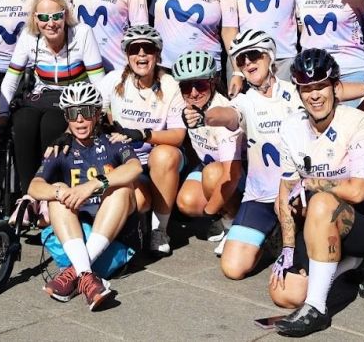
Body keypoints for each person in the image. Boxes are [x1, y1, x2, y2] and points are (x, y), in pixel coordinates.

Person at [269, 49, 364, 337]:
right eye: (307, 89)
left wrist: (312, 183)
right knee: (286, 294)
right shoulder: (290, 128)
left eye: (321, 86)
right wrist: (287, 248)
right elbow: (285, 190)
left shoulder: (358, 122)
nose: (314, 95)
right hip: (325, 216)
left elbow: (359, 191)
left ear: (336, 87)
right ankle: (350, 264)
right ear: (299, 93)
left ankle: (317, 309)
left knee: (321, 201)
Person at [28, 82, 143, 311]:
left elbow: (135, 168)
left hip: (114, 241)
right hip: (77, 239)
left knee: (122, 189)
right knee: (57, 191)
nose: (80, 120)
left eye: (87, 111)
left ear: (98, 114)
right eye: (73, 113)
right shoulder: (61, 148)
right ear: (66, 118)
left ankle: (75, 273)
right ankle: (87, 278)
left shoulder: (111, 141)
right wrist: (59, 192)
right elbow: (34, 186)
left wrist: (93, 185)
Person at [202, 30, 299, 278]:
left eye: (253, 55)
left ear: (269, 57)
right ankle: (270, 236)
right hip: (259, 196)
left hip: (297, 194)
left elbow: (335, 93)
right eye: (241, 59)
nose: (247, 63)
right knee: (232, 269)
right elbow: (226, 115)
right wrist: (205, 116)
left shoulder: (296, 92)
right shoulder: (245, 101)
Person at [0, 0, 105, 194]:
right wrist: (2, 114)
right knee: (22, 123)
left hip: (72, 99)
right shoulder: (29, 36)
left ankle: (50, 190)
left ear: (65, 15)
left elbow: (99, 81)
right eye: (43, 17)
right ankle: (28, 194)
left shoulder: (82, 33)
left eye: (56, 16)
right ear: (35, 19)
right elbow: (11, 79)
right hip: (41, 95)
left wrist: (101, 114)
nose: (51, 23)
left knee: (51, 124)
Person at [98, 25, 186, 255]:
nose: (141, 55)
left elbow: (178, 135)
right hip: (125, 159)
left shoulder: (170, 85)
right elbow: (91, 113)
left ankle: (160, 229)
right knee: (139, 200)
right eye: (134, 49)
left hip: (156, 157)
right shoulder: (113, 79)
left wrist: (144, 134)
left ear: (157, 53)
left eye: (148, 48)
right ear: (127, 55)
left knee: (165, 154)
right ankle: (137, 223)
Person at [175, 50, 244, 253]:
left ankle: (233, 225)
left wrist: (208, 212)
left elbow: (232, 175)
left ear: (213, 83)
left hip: (238, 173)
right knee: (186, 202)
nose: (193, 93)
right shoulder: (186, 104)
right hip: (208, 166)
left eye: (201, 85)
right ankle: (223, 217)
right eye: (186, 87)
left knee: (214, 174)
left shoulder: (223, 112)